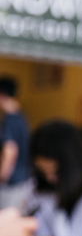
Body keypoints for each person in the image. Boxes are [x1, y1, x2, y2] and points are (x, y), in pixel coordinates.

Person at [0, 76, 32, 211]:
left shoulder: (10, 120)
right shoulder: (21, 117)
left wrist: (2, 177)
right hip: (23, 181)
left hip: (12, 184)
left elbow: (10, 151)